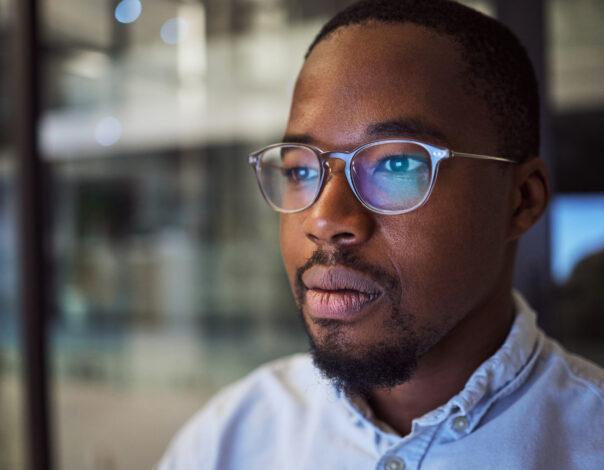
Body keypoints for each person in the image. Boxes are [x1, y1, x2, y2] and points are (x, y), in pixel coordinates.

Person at [158, 1, 604, 468]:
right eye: (301, 170)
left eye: (397, 164)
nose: (323, 220)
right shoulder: (230, 439)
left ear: (522, 200)